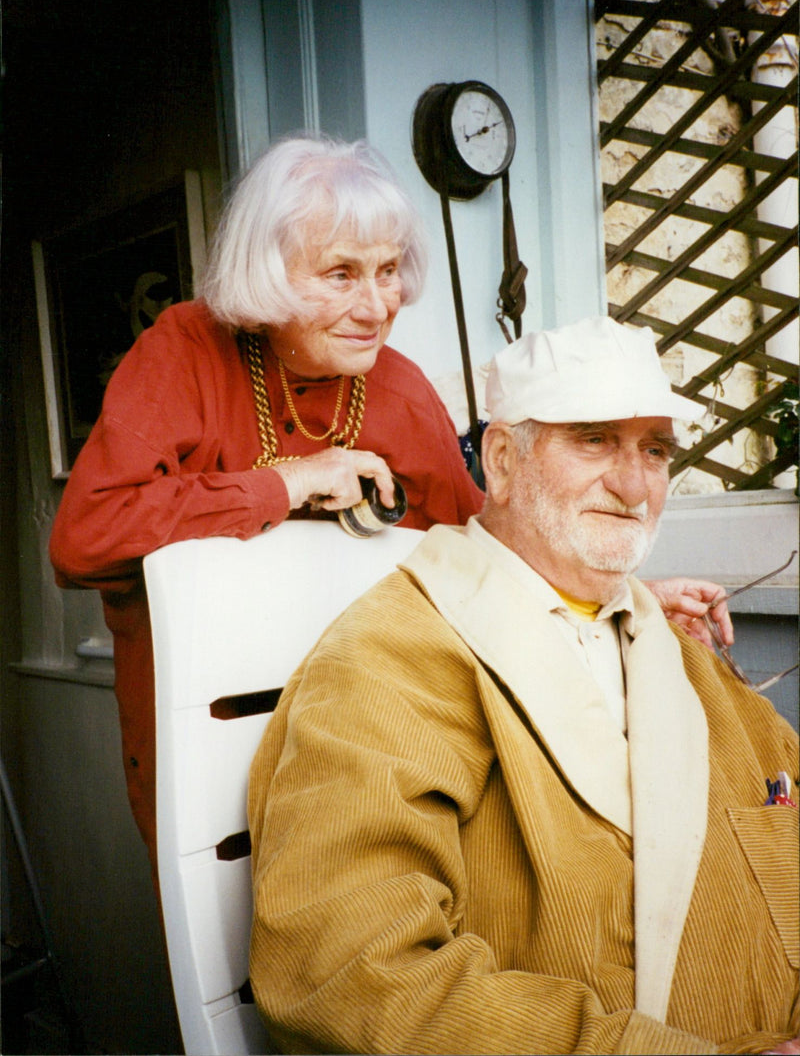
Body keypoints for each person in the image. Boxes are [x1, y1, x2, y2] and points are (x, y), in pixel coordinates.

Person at [50, 136, 731, 877]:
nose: (375, 306)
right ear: (267, 271)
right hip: (204, 736)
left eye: (386, 272)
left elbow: (490, 554)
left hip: (372, 739)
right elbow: (84, 537)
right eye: (340, 274)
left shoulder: (400, 388)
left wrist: (634, 600)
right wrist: (289, 482)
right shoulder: (185, 349)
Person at [248, 316, 798, 1056]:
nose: (635, 485)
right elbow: (347, 971)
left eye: (656, 449)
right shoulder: (386, 661)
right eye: (595, 439)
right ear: (502, 459)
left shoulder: (680, 653)